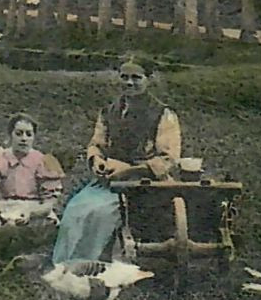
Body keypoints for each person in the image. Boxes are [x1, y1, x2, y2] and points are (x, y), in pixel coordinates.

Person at [50, 61, 183, 264]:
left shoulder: (163, 114)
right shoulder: (109, 111)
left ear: (149, 80)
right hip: (110, 181)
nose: (129, 83)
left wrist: (130, 170)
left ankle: (89, 266)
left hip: (144, 183)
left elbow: (168, 158)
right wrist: (96, 161)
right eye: (124, 77)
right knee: (76, 208)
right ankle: (63, 264)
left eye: (136, 78)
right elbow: (96, 144)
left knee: (100, 214)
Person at [0, 113, 65, 228]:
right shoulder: (0, 157)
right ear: (10, 135)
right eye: (19, 134)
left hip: (34, 211)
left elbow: (49, 204)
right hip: (4, 208)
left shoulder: (44, 161)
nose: (24, 139)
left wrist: (31, 212)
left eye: (29, 134)